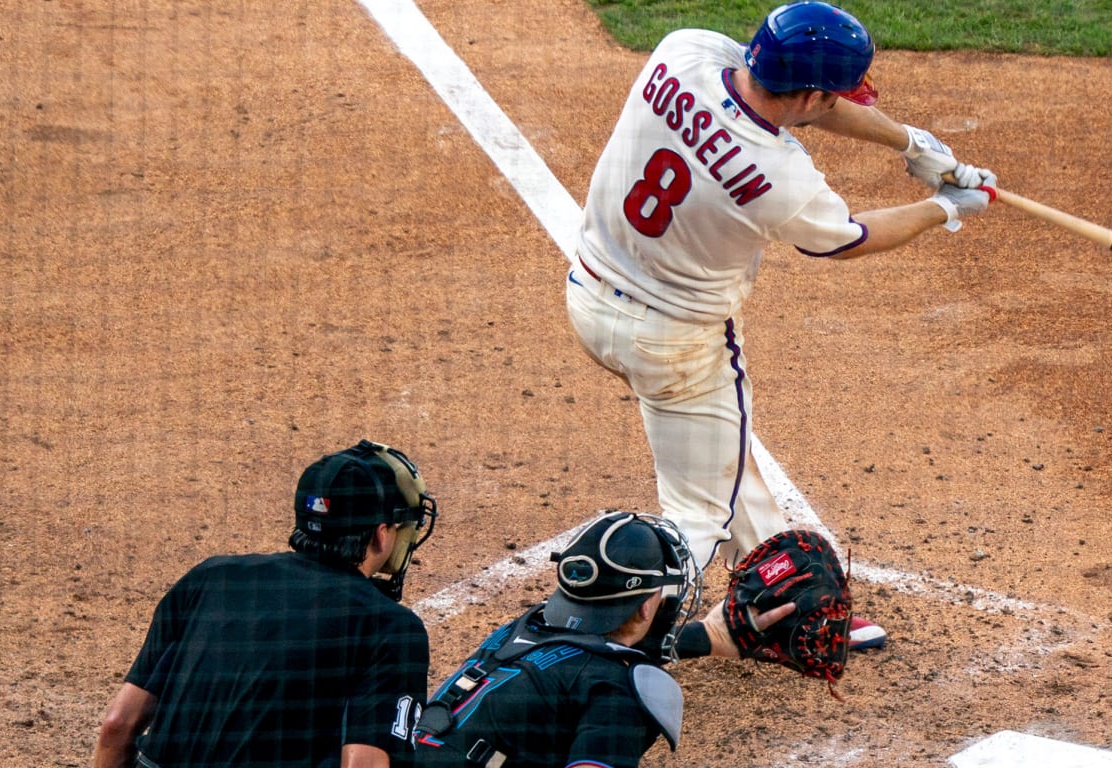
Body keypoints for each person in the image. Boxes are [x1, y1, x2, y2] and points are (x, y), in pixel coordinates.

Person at [564, 0, 995, 650]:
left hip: (591, 296)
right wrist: (943, 207)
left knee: (720, 459)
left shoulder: (684, 54)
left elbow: (802, 100)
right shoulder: (779, 180)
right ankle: (604, 638)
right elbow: (849, 238)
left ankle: (787, 593)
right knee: (698, 513)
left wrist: (909, 144)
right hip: (674, 345)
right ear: (817, 93)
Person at [92, 439, 441, 768]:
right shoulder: (390, 626)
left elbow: (117, 726)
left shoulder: (211, 578)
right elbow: (362, 764)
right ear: (382, 534)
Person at [412, 511, 789, 768]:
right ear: (645, 608)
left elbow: (601, 649)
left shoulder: (529, 626)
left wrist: (713, 635)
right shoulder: (617, 692)